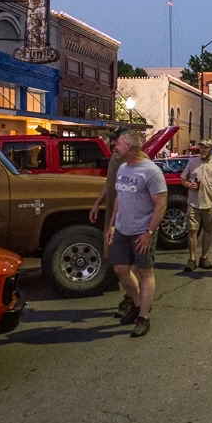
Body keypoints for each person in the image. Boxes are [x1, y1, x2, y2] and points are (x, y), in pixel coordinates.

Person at [105, 130, 167, 337]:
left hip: (142, 230)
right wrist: (112, 224)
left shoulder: (151, 171)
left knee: (144, 272)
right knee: (120, 269)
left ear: (129, 147)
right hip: (122, 229)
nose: (115, 147)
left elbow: (161, 204)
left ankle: (143, 317)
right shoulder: (123, 168)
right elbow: (119, 197)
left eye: (119, 144)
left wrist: (149, 231)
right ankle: (140, 304)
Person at [89, 127, 137, 318]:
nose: (111, 143)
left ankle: (132, 299)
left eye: (115, 140)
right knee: (113, 256)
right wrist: (97, 203)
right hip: (113, 214)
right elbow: (110, 183)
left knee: (126, 261)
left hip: (126, 216)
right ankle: (133, 296)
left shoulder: (134, 162)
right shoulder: (116, 159)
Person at [180, 139, 212, 273]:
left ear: (211, 149)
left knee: (208, 231)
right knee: (192, 231)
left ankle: (204, 257)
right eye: (201, 148)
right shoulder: (192, 163)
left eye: (205, 148)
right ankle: (192, 259)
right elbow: (183, 179)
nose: (202, 150)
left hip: (210, 203)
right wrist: (188, 184)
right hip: (193, 202)